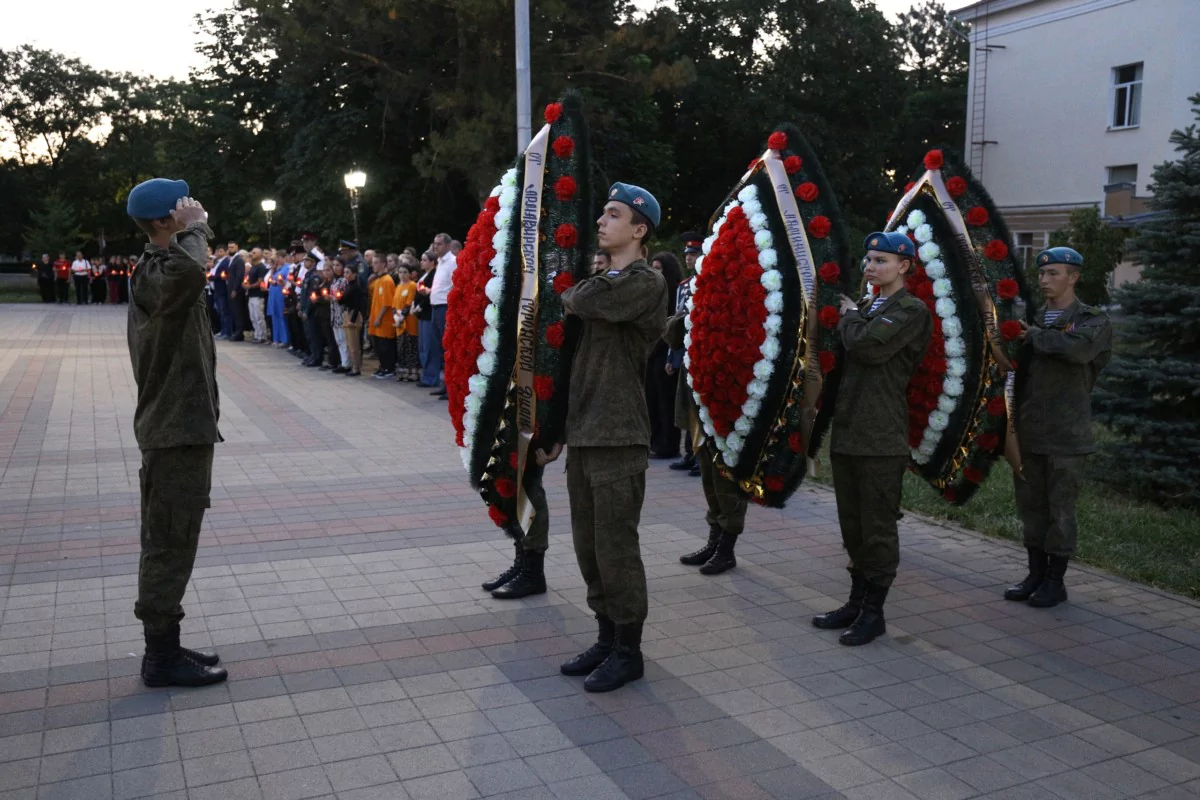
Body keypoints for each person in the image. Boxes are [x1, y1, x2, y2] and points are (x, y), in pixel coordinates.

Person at [540, 182, 667, 692]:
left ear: (639, 229)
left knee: (617, 547)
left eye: (613, 215)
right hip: (586, 431)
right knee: (589, 547)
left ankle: (629, 650)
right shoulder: (607, 281)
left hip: (619, 434)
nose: (600, 222)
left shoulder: (643, 282)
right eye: (603, 213)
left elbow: (579, 298)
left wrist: (579, 290)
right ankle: (605, 635)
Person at [124, 178, 227, 687]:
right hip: (173, 431)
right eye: (183, 207)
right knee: (169, 540)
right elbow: (190, 270)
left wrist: (189, 229)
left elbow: (189, 271)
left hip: (181, 428)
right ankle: (160, 657)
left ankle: (165, 645)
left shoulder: (163, 270)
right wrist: (198, 227)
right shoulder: (160, 274)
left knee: (175, 537)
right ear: (165, 221)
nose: (194, 208)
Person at [813, 232, 932, 647]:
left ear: (904, 266)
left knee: (877, 526)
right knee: (852, 525)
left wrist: (848, 315)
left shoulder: (910, 309)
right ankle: (856, 601)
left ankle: (874, 613)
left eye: (881, 260)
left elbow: (866, 347)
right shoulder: (868, 307)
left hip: (881, 435)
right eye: (868, 259)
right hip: (849, 430)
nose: (871, 266)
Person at [1005, 247, 1113, 608]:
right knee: (1031, 508)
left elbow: (1076, 350)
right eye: (1042, 274)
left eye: (1054, 273)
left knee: (1060, 511)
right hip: (1031, 431)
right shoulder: (1033, 318)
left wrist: (1033, 335)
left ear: (1074, 277)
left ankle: (1055, 581)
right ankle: (1035, 574)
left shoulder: (1091, 319)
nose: (1045, 280)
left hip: (1067, 435)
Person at [663, 277, 748, 577]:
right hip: (698, 405)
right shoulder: (696, 303)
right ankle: (714, 540)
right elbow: (671, 336)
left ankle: (726, 547)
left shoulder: (737, 306)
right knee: (709, 479)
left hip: (726, 406)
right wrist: (691, 311)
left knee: (727, 480)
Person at [669, 233, 704, 477]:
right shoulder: (683, 286)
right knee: (684, 404)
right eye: (688, 255)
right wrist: (672, 356)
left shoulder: (708, 282)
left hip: (702, 352)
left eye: (694, 254)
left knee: (698, 405)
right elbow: (675, 321)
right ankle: (689, 453)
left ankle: (701, 455)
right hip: (685, 351)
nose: (689, 259)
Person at [647, 252, 683, 459]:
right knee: (651, 398)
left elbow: (672, 325)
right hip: (651, 353)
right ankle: (656, 441)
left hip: (665, 352)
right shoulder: (653, 292)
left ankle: (668, 444)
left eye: (658, 268)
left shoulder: (675, 292)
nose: (654, 272)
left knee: (665, 401)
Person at [426, 233, 456, 395]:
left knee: (447, 347)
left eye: (439, 244)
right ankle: (444, 383)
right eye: (435, 243)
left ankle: (450, 386)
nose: (435, 247)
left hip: (445, 308)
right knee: (439, 347)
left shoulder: (452, 262)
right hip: (436, 307)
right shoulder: (440, 262)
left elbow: (454, 286)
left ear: (447, 246)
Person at [368, 254, 397, 378]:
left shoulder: (387, 280)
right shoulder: (378, 280)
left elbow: (387, 303)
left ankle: (389, 368)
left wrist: (379, 318)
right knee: (378, 345)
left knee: (386, 345)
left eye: (376, 263)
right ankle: (382, 366)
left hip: (384, 320)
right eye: (373, 263)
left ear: (383, 264)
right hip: (376, 318)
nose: (373, 265)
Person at [391, 260, 421, 381]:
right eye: (400, 272)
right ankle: (406, 371)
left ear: (410, 274)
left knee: (411, 346)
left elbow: (409, 303)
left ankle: (414, 372)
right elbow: (394, 305)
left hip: (409, 321)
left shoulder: (412, 285)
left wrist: (401, 317)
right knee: (402, 347)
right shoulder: (398, 286)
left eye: (405, 272)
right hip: (399, 321)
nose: (402, 275)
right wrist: (396, 317)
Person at [413, 251, 438, 387]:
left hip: (428, 313)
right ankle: (426, 374)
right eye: (421, 259)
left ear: (432, 262)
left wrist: (420, 306)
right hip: (422, 314)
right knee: (422, 345)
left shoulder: (434, 275)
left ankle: (430, 377)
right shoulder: (424, 275)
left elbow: (429, 293)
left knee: (429, 346)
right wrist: (414, 305)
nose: (422, 262)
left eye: (425, 260)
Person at [340, 263, 365, 376]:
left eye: (348, 272)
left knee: (354, 344)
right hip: (347, 313)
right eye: (344, 272)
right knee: (350, 343)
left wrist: (353, 319)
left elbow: (357, 304)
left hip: (353, 315)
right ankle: (353, 365)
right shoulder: (348, 285)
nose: (345, 275)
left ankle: (356, 368)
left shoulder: (356, 287)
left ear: (354, 274)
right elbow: (343, 300)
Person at [267, 250, 291, 347]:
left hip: (280, 293)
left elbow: (287, 281)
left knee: (281, 315)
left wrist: (279, 282)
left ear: (284, 258)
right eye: (277, 258)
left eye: (280, 257)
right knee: (275, 315)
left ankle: (284, 339)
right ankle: (276, 338)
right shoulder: (277, 268)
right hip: (273, 293)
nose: (278, 260)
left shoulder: (287, 267)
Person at [246, 248, 270, 343]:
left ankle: (262, 335)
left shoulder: (261, 267)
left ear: (260, 255)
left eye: (254, 253)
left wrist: (250, 286)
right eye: (251, 252)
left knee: (258, 316)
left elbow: (260, 281)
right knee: (252, 316)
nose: (252, 254)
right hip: (251, 295)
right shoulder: (253, 266)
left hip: (258, 295)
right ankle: (257, 334)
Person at [212, 244, 233, 339]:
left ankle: (227, 332)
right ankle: (223, 330)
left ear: (225, 252)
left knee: (225, 311)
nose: (218, 253)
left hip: (222, 289)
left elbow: (222, 275)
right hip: (217, 289)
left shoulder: (226, 261)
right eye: (217, 251)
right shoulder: (217, 262)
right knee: (220, 311)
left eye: (221, 251)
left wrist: (212, 277)